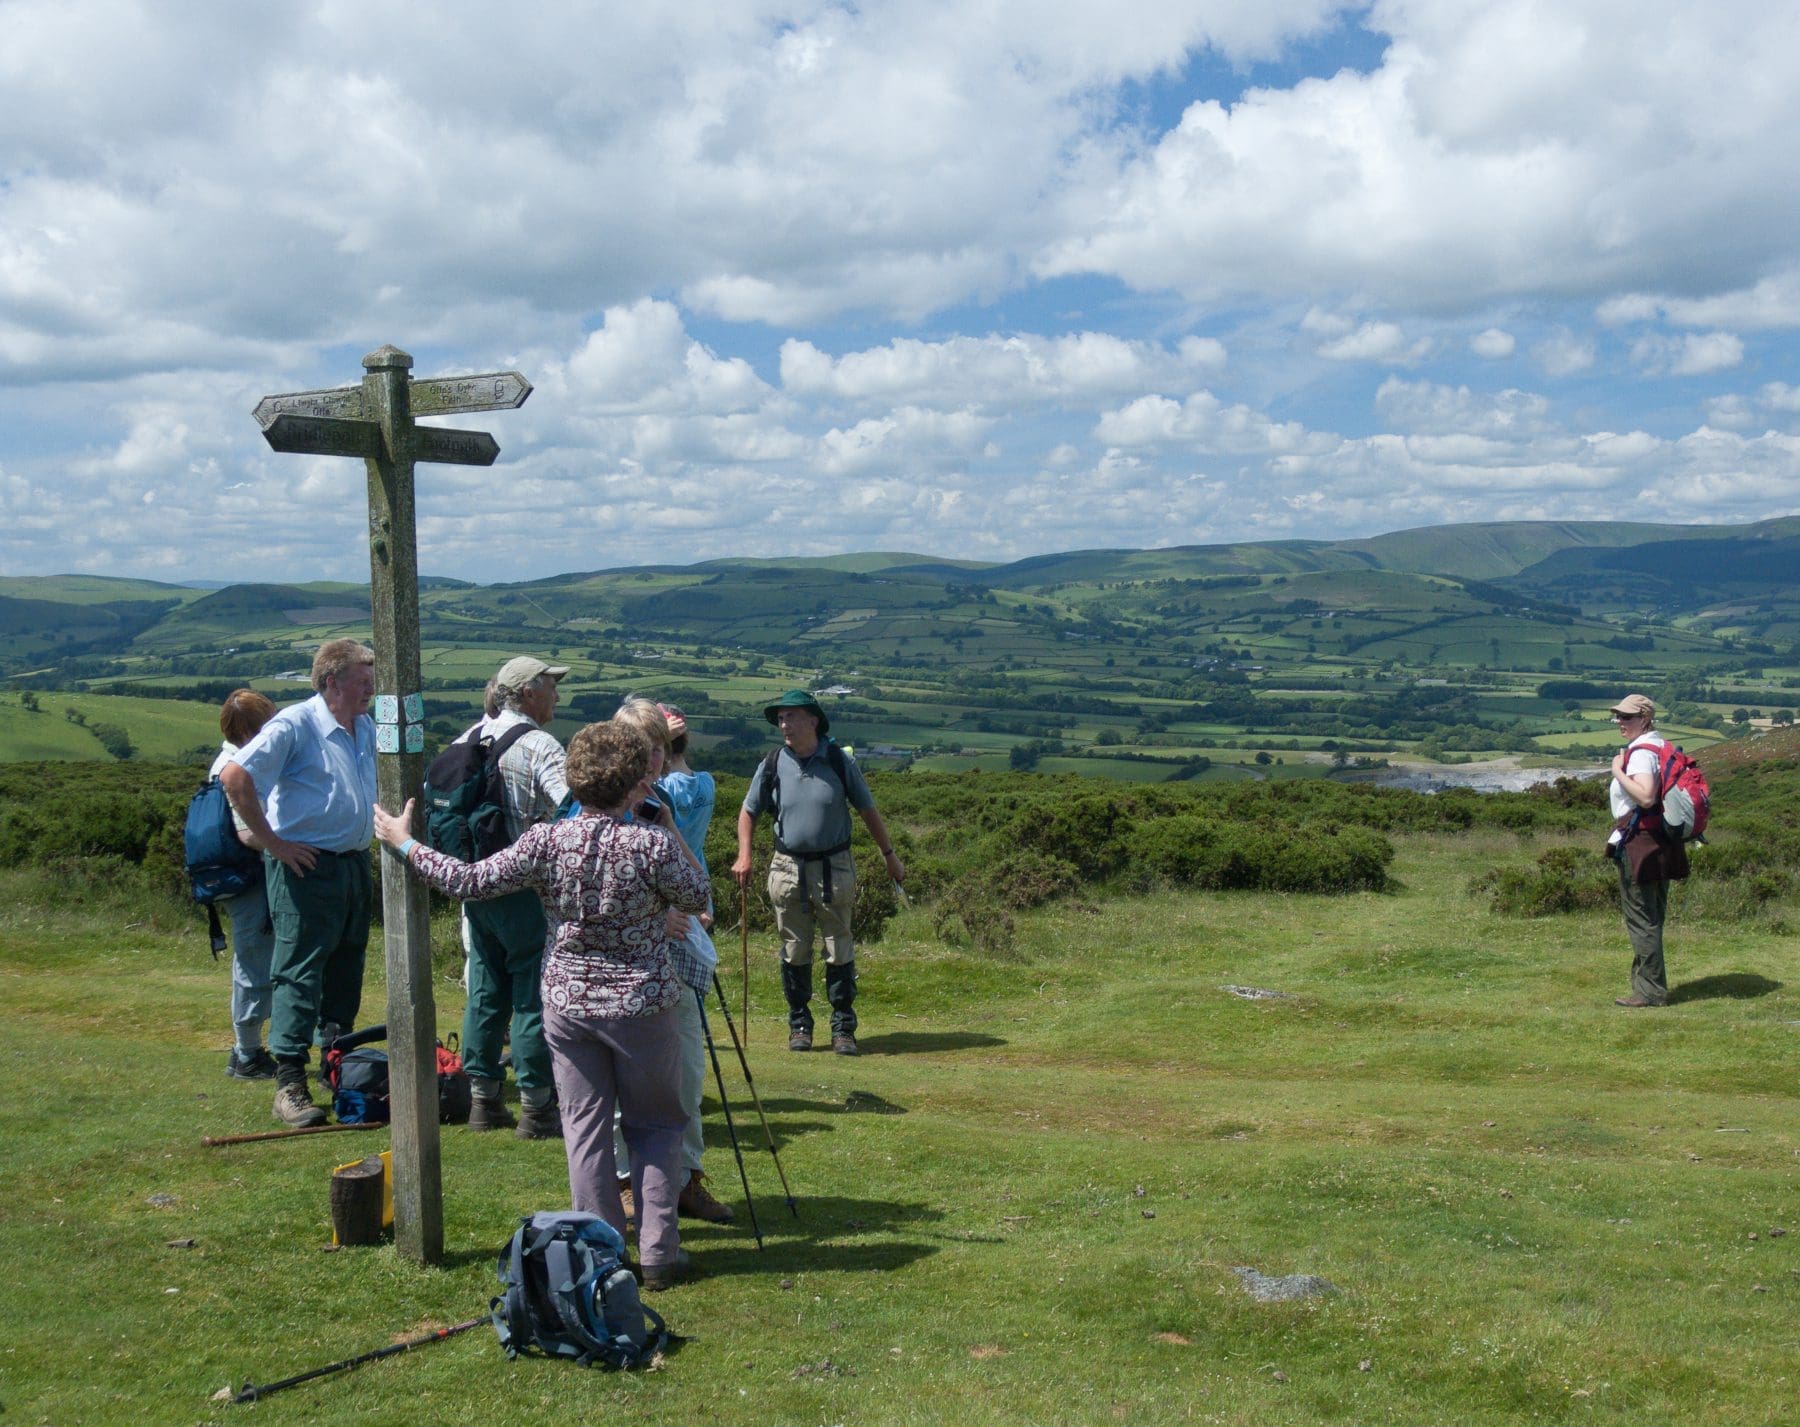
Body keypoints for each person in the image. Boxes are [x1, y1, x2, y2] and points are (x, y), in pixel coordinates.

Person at [373, 721, 711, 1290]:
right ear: (636, 786)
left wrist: (405, 842)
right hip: (641, 1001)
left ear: (575, 781)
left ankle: (602, 1254)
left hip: (567, 1003)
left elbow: (469, 880)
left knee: (585, 1127)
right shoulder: (650, 843)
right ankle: (659, 1255)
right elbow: (698, 895)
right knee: (655, 1125)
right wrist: (669, 826)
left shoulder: (545, 841)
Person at [220, 640, 378, 1127]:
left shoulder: (364, 725)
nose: (371, 688)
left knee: (346, 970)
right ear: (331, 681)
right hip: (306, 869)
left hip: (352, 864)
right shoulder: (296, 723)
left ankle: (338, 1070)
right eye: (362, 679)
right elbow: (235, 776)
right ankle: (289, 1084)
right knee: (299, 972)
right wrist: (274, 844)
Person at [610, 698, 734, 1224]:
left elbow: (693, 884)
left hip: (677, 959)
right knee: (626, 1077)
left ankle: (686, 1180)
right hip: (622, 963)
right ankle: (623, 1183)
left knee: (686, 1069)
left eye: (659, 747)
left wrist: (692, 909)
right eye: (643, 748)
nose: (654, 758)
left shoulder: (664, 801)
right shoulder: (594, 804)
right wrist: (654, 919)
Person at [732, 689, 905, 1055]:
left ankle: (843, 1027)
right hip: (786, 865)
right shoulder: (773, 763)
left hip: (834, 866)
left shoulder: (840, 762)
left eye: (791, 716)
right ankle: (800, 1024)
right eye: (780, 718)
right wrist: (744, 855)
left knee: (838, 945)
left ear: (813, 721)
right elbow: (749, 812)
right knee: (794, 948)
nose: (784, 723)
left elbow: (867, 810)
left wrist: (889, 856)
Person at [456, 656, 571, 1139]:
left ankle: (482, 1101)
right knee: (530, 993)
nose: (557, 696)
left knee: (484, 988)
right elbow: (570, 803)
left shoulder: (468, 738)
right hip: (525, 886)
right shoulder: (540, 744)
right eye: (550, 686)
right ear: (527, 692)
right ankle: (536, 1106)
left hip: (475, 884)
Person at [211, 689, 277, 1080]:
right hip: (251, 878)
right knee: (254, 961)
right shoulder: (235, 768)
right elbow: (249, 835)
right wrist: (289, 844)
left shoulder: (228, 761)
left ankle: (250, 1048)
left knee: (256, 959)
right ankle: (247, 1053)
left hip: (244, 878)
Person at [1606, 693, 1684, 1008]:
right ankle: (1648, 986)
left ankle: (1650, 992)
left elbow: (1647, 797)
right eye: (1618, 717)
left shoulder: (1639, 754)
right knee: (1653, 916)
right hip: (1661, 840)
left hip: (1639, 842)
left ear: (1645, 718)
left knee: (1642, 918)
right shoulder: (1660, 746)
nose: (1620, 722)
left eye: (1627, 717)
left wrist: (1617, 771)